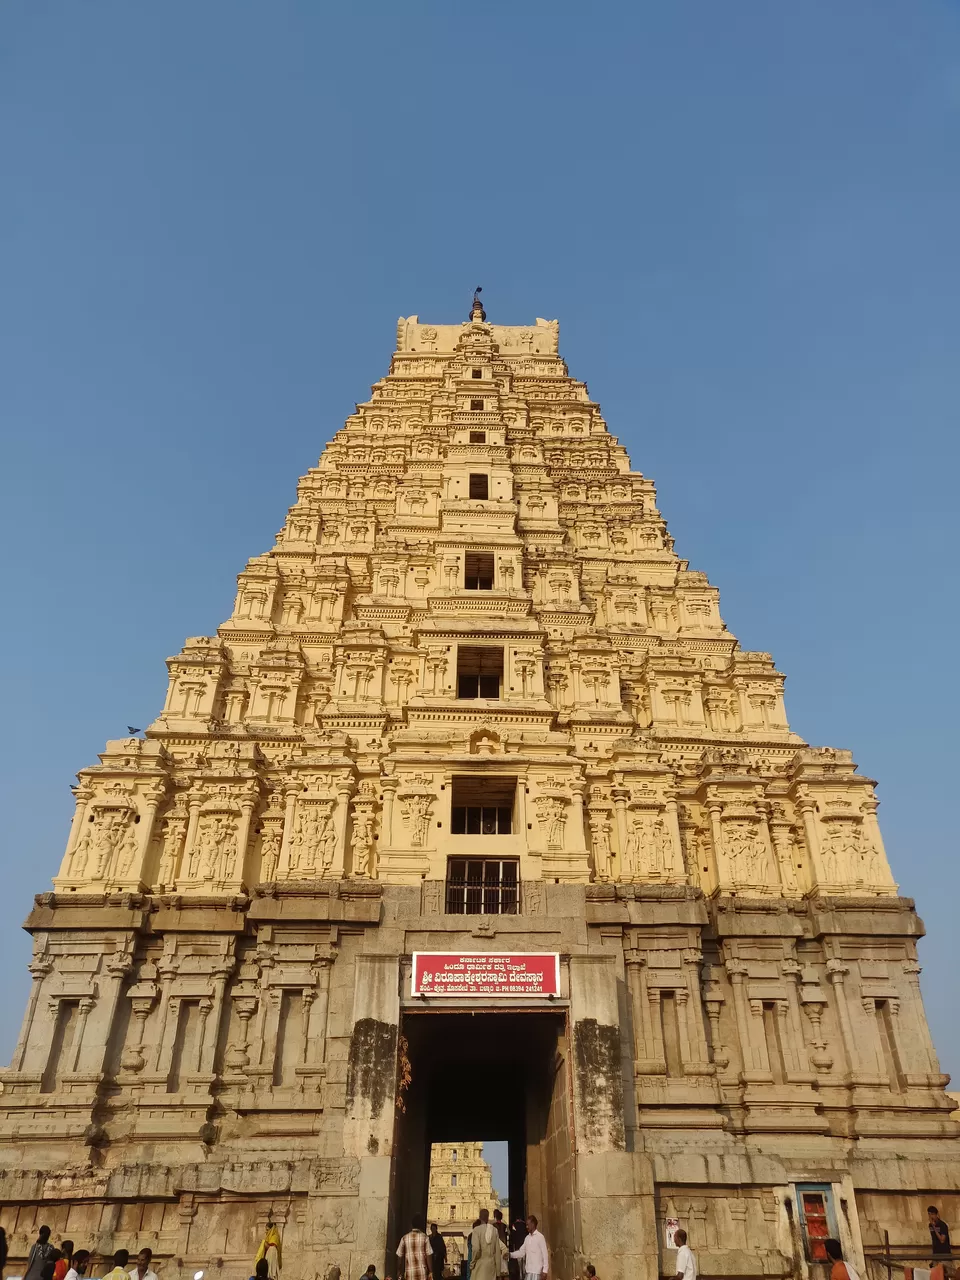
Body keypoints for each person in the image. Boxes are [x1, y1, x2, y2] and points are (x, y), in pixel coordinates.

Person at [510, 1216, 548, 1280]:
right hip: (528, 1271)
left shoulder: (540, 1237)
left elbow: (545, 1255)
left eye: (528, 1225)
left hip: (537, 1272)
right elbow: (521, 1252)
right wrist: (510, 1255)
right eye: (526, 1225)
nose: (526, 1227)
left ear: (533, 1224)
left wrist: (545, 1271)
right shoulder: (527, 1238)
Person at [396, 1213, 433, 1280]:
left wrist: (399, 1270)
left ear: (412, 1225)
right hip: (422, 1274)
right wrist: (431, 1271)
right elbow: (429, 1255)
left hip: (410, 1274)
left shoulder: (404, 1238)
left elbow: (399, 1256)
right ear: (421, 1226)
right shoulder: (425, 1238)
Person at [470, 1210, 503, 1280]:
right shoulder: (494, 1230)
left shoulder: (476, 1230)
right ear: (488, 1217)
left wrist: (472, 1264)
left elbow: (476, 1249)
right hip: (491, 1267)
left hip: (479, 1266)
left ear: (479, 1217)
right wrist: (498, 1272)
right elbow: (497, 1253)